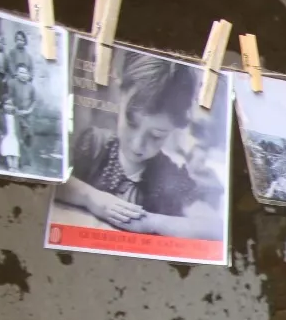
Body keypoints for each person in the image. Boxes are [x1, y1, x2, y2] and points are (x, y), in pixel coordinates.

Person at [51, 51, 223, 242]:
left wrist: (151, 222)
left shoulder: (168, 176)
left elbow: (215, 227)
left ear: (174, 128)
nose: (137, 144)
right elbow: (51, 183)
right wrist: (91, 198)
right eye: (131, 123)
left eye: (156, 136)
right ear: (120, 93)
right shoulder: (94, 145)